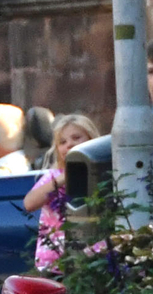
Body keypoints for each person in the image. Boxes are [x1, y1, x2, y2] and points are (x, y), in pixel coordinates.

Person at [20, 112, 100, 271]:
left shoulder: (102, 174)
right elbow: (29, 203)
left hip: (96, 257)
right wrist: (64, 177)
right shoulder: (54, 176)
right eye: (62, 142)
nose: (69, 144)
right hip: (55, 262)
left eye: (76, 138)